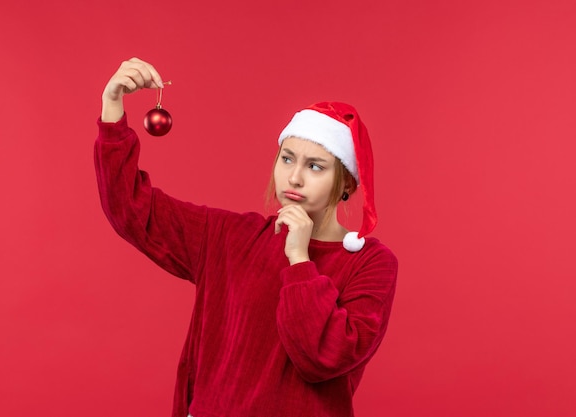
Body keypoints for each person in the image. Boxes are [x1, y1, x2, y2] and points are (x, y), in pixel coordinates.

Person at [95, 57, 398, 417]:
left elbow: (323, 357)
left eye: (315, 166)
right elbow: (132, 211)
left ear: (346, 181)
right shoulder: (229, 236)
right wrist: (112, 106)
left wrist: (299, 261)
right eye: (287, 159)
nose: (295, 177)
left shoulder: (370, 263)